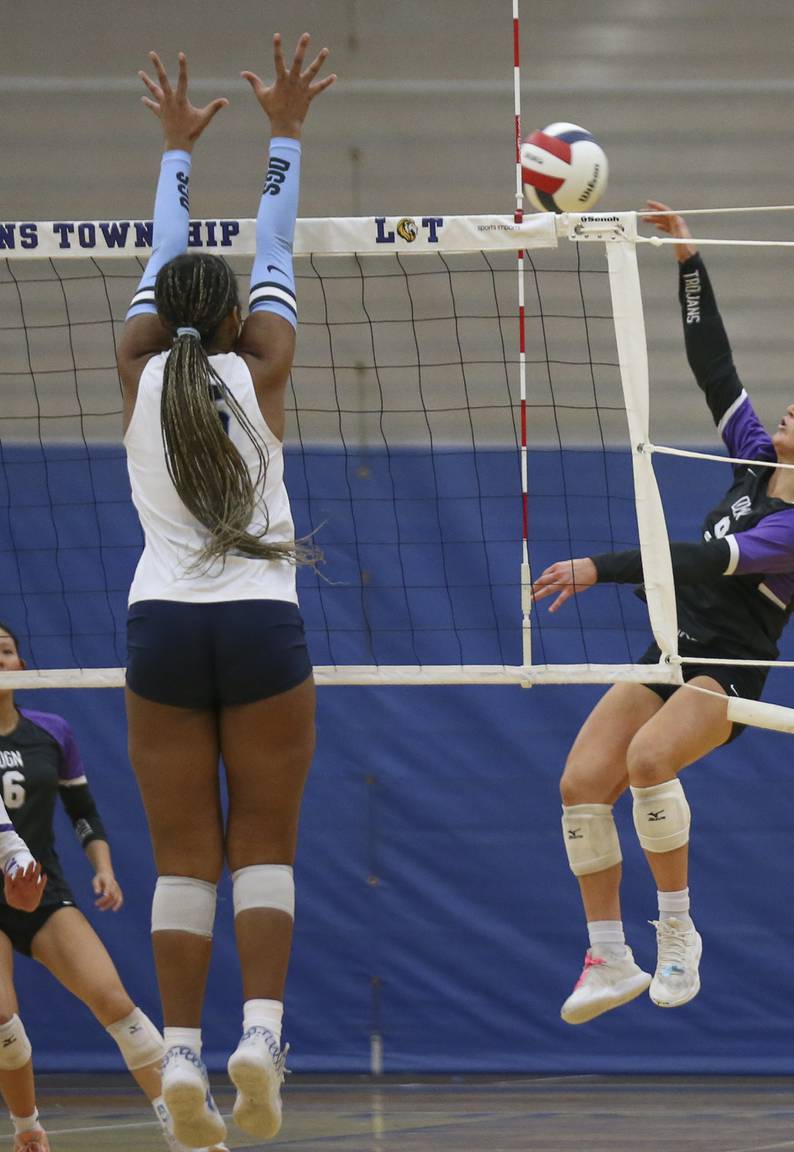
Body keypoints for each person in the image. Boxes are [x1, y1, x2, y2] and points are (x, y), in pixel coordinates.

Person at [531, 202, 794, 1023]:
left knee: (651, 760)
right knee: (582, 781)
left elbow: (693, 561)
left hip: (724, 671)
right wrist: (688, 260)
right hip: (668, 649)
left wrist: (598, 567)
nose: (790, 411)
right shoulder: (755, 462)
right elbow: (714, 367)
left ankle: (678, 933)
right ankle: (609, 958)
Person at [114, 35, 334, 1149]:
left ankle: (186, 1052)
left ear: (160, 317)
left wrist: (173, 154)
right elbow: (276, 245)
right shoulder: (266, 365)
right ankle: (261, 1035)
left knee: (183, 856)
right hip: (261, 626)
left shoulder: (139, 365)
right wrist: (283, 133)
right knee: (266, 846)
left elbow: (167, 270)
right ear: (240, 314)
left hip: (161, 630)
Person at [0, 624, 223, 1152]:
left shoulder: (51, 732)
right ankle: (28, 1128)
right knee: (2, 1019)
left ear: (24, 666)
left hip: (41, 889)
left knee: (115, 1002)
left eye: (5, 651)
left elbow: (83, 814)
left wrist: (102, 867)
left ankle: (185, 1129)